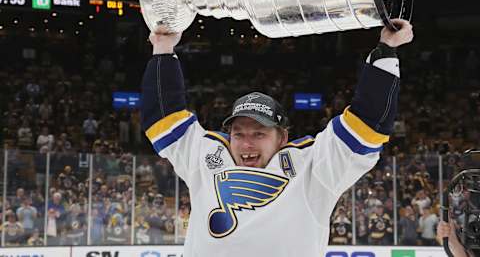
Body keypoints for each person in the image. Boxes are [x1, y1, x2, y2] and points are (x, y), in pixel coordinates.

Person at [142, 19, 413, 256]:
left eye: (259, 133)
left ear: (282, 138)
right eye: (239, 133)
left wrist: (386, 50)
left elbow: (366, 123)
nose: (247, 143)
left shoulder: (313, 168)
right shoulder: (208, 157)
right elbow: (163, 118)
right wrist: (163, 48)